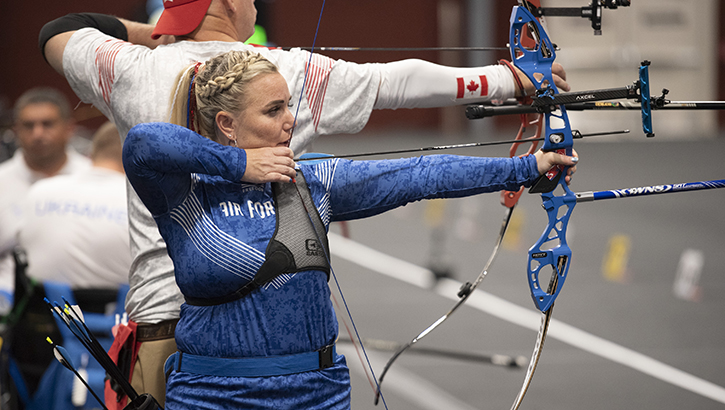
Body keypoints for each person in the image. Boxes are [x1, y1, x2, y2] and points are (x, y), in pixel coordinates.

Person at [38, 1, 571, 405]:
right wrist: (511, 80)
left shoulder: (130, 65)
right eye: (275, 111)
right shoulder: (273, 81)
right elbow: (397, 82)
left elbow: (57, 33)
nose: (288, 119)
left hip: (220, 348)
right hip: (194, 356)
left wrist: (528, 167)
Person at [0, 87, 91, 313]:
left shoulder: (93, 179)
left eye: (47, 124)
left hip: (87, 304)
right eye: (28, 126)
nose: (38, 134)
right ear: (16, 130)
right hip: (12, 309)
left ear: (69, 128)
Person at [19, 121, 130, 292]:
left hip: (43, 311)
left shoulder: (40, 190)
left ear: (91, 153)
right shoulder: (140, 204)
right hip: (119, 314)